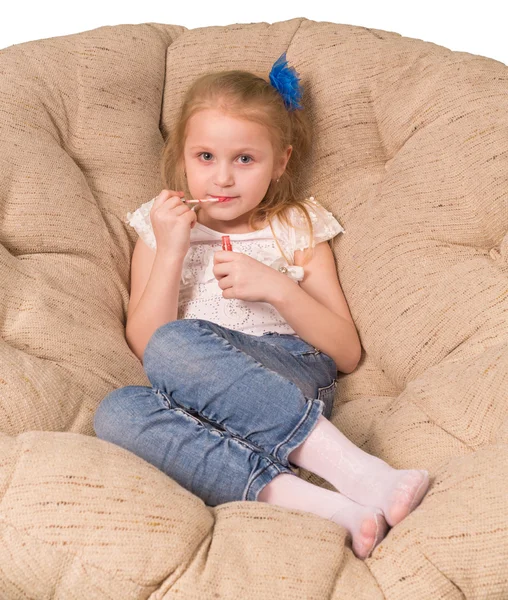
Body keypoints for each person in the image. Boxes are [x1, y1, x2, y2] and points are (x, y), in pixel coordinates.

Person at [93, 53, 430, 560]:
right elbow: (147, 346)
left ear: (281, 163)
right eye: (205, 157)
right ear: (182, 156)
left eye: (244, 159)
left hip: (283, 374)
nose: (222, 179)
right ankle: (332, 509)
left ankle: (362, 472)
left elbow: (345, 353)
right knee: (116, 412)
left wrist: (278, 287)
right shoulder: (159, 225)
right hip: (193, 398)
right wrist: (173, 250)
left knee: (176, 344)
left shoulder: (295, 226)